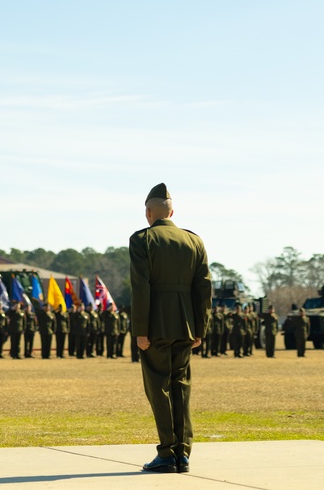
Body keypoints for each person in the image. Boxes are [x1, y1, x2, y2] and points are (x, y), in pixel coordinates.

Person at [130, 183, 211, 474]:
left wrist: (141, 330)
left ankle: (166, 453)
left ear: (148, 213)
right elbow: (204, 288)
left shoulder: (143, 240)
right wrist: (200, 328)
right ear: (172, 212)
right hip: (186, 326)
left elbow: (141, 287)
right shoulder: (194, 241)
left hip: (155, 326)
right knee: (181, 388)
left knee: (158, 389)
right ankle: (183, 454)